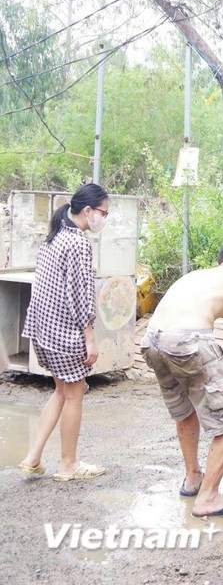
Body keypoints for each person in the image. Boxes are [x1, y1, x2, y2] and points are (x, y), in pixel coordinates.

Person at [141, 236, 223, 517]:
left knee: (185, 410)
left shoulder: (197, 276)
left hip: (152, 340)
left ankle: (193, 478)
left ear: (221, 260)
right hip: (188, 340)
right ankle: (209, 497)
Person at [18, 183, 110, 482]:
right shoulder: (78, 243)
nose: (104, 219)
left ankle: (32, 458)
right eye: (103, 213)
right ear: (88, 211)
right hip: (65, 334)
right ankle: (68, 464)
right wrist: (90, 337)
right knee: (73, 395)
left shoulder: (54, 236)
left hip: (42, 330)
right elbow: (81, 294)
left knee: (61, 392)